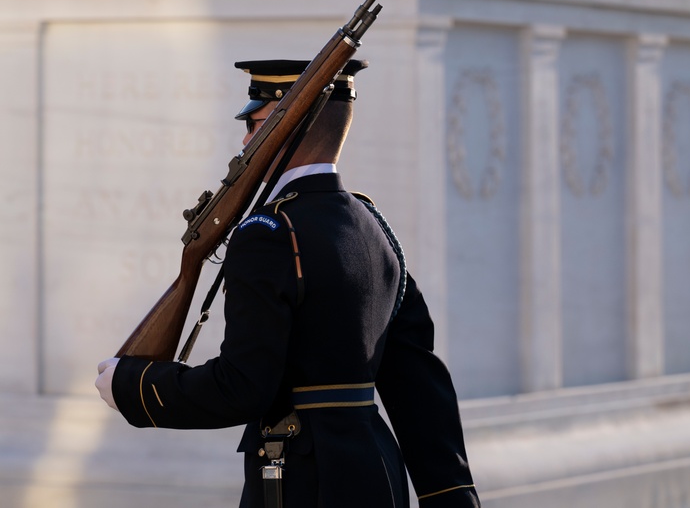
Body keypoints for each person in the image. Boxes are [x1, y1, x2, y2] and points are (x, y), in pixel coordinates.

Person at [96, 59, 479, 507]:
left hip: (299, 480)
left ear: (287, 127)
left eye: (254, 123)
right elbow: (418, 389)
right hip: (378, 479)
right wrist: (452, 497)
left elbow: (243, 385)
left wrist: (136, 385)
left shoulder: (268, 232)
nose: (244, 140)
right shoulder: (374, 226)